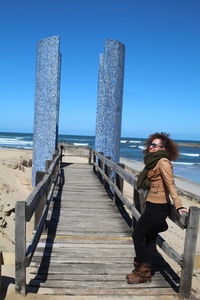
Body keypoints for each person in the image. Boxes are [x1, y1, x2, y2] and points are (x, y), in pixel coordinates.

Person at [126, 132, 187, 284]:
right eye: (150, 144)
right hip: (151, 203)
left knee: (138, 235)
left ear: (163, 148)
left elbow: (170, 184)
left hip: (159, 207)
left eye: (154, 145)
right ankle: (144, 271)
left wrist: (179, 205)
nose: (151, 147)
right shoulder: (152, 162)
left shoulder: (163, 162)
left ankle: (142, 269)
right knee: (150, 237)